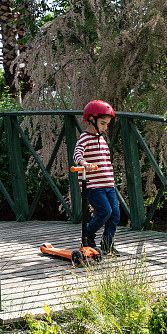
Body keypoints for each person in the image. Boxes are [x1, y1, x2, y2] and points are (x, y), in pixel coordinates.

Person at [72, 100, 119, 254]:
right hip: (93, 186)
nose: (105, 128)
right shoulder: (85, 138)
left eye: (107, 124)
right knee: (105, 211)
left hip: (108, 185)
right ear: (91, 120)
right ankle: (88, 233)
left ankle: (107, 244)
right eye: (103, 123)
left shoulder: (102, 139)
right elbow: (77, 152)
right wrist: (83, 162)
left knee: (115, 214)